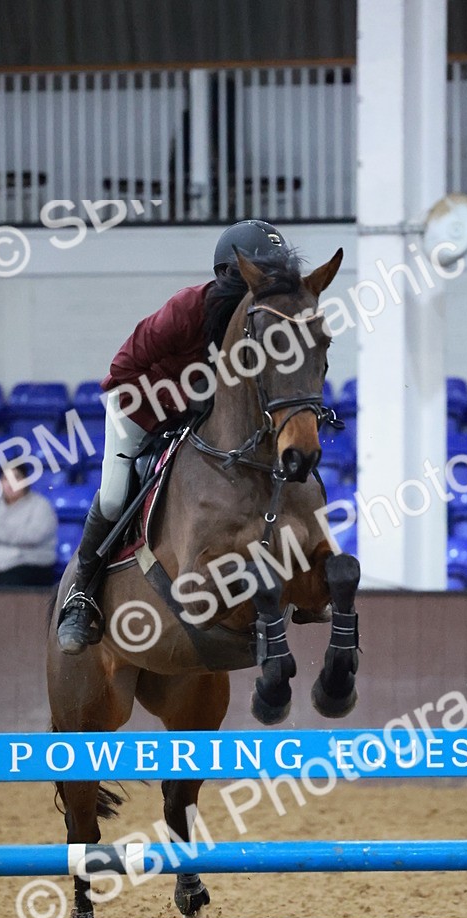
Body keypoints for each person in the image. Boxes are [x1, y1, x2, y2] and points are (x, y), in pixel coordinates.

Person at [56, 218, 290, 654]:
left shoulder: (261, 324)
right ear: (230, 274)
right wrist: (189, 398)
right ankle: (80, 596)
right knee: (111, 497)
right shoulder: (187, 309)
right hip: (140, 413)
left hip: (203, 422)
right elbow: (122, 370)